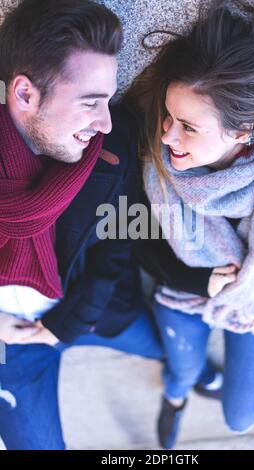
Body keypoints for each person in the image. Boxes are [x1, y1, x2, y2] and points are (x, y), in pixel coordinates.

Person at [127, 0, 254, 449]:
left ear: (243, 131)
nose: (167, 136)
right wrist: (200, 281)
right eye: (169, 115)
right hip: (184, 287)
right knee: (181, 371)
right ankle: (177, 398)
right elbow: (130, 237)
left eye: (188, 127)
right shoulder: (150, 147)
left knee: (241, 418)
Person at [0, 0, 165, 450]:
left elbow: (120, 244)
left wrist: (67, 326)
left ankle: (190, 379)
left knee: (163, 350)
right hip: (9, 345)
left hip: (89, 310)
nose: (105, 121)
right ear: (25, 94)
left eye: (107, 101)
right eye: (90, 103)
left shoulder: (116, 145)